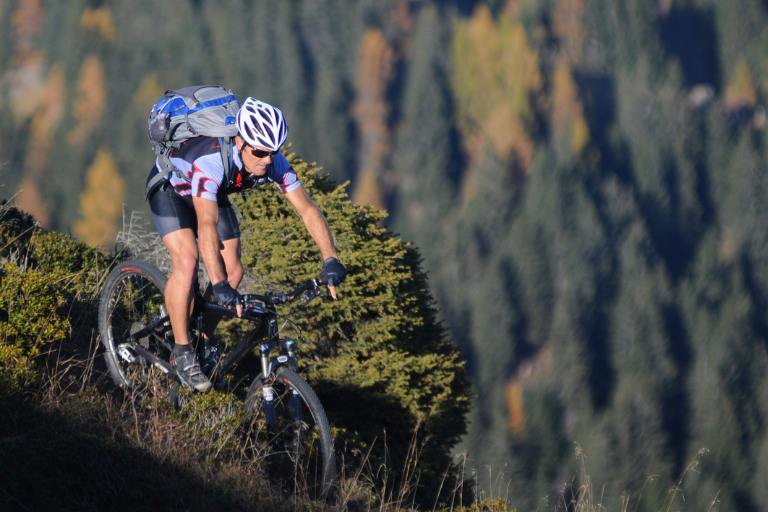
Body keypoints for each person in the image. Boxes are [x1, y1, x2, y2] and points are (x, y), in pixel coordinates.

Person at [145, 97, 347, 392]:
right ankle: (182, 350)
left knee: (234, 272)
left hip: (210, 193)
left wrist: (330, 258)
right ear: (240, 141)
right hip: (171, 190)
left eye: (273, 152)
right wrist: (218, 283)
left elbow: (307, 209)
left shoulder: (271, 160)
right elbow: (207, 224)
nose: (267, 160)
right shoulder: (211, 160)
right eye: (260, 152)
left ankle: (199, 339)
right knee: (187, 262)